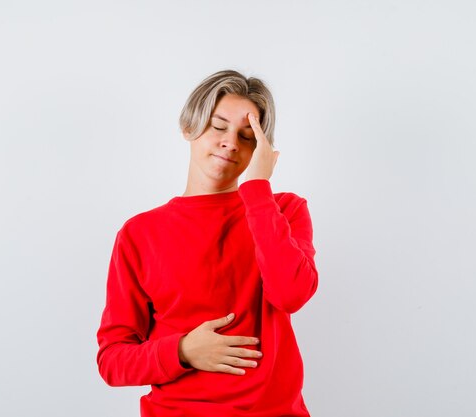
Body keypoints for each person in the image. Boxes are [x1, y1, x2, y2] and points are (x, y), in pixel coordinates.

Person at [96, 69, 319, 417]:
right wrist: (183, 350)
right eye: (218, 127)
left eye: (247, 136)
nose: (231, 142)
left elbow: (291, 294)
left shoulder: (284, 210)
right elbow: (112, 360)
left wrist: (258, 189)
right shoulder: (139, 234)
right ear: (189, 128)